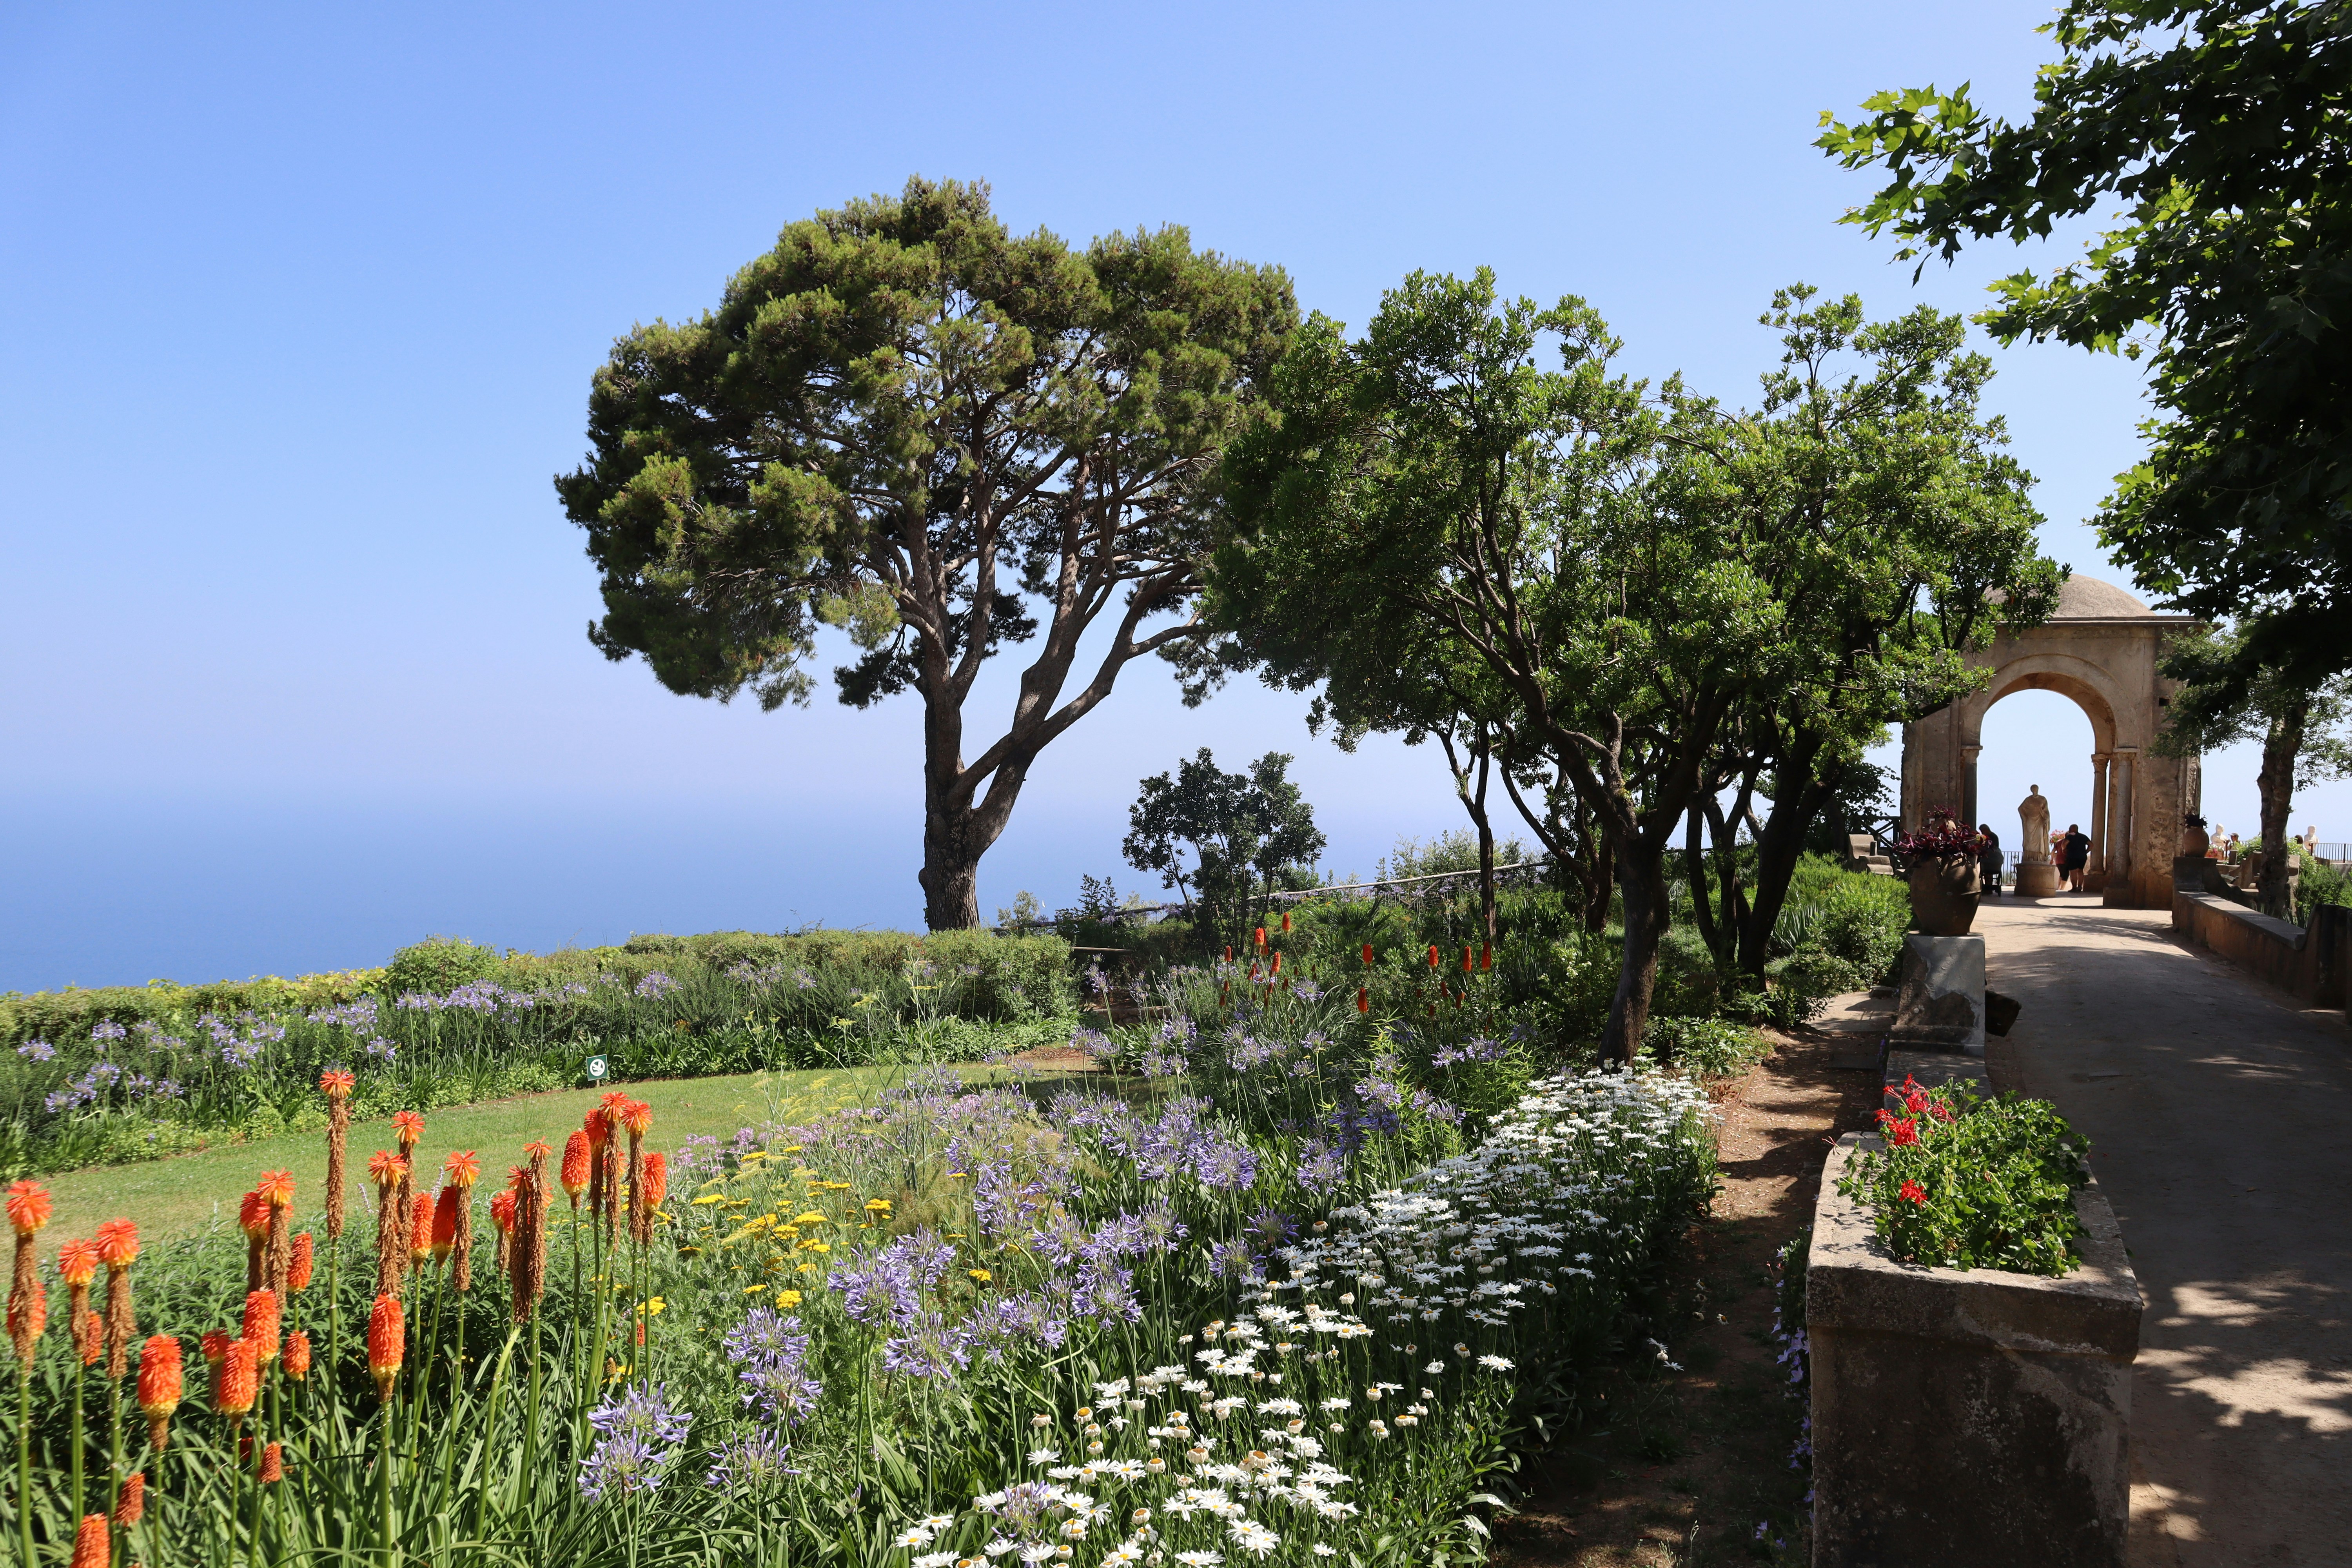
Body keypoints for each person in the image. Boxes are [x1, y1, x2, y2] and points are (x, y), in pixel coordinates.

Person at [2062, 822, 2093, 892]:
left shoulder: (2070, 836)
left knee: (2073, 872)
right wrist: (2086, 852)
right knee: (2080, 871)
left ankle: (2074, 888)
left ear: (2071, 829)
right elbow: (2091, 845)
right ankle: (2080, 887)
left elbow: (2065, 843)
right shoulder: (2083, 836)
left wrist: (2064, 850)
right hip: (2082, 857)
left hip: (2072, 856)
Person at [1977, 823, 2004, 896]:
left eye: (1982, 831)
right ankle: (1988, 889)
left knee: (1988, 874)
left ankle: (1988, 889)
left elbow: (1990, 847)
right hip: (1992, 858)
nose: (1982, 833)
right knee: (1988, 874)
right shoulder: (1992, 836)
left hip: (1991, 858)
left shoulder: (1993, 837)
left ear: (1986, 830)